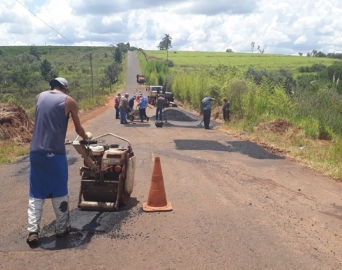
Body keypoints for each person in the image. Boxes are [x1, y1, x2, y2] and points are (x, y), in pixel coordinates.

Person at [27, 77, 90, 245]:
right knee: (59, 190)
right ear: (65, 88)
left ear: (52, 86)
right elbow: (78, 128)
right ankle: (61, 228)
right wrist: (86, 136)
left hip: (35, 153)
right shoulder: (69, 101)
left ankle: (33, 231)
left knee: (36, 192)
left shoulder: (39, 97)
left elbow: (45, 123)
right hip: (55, 154)